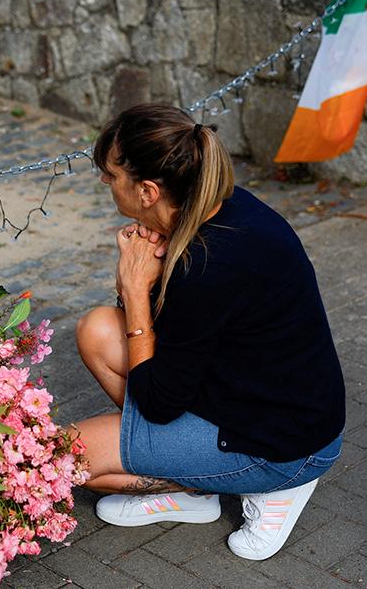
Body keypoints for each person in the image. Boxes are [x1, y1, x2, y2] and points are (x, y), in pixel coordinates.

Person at [74, 103, 345, 561]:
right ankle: (197, 493)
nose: (104, 182)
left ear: (147, 190)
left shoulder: (206, 263)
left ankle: (275, 488)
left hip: (284, 444)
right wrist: (141, 284)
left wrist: (136, 288)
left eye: (110, 174)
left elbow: (158, 405)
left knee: (73, 457)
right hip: (238, 395)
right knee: (97, 329)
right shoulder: (214, 206)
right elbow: (179, 339)